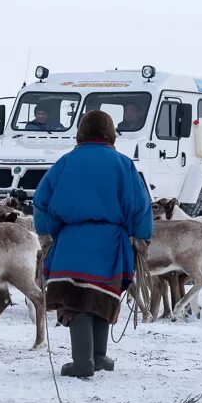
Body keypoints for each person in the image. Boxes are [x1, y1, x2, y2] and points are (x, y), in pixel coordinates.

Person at [33, 110, 153, 378]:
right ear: (111, 133)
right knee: (102, 296)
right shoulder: (124, 164)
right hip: (111, 244)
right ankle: (98, 356)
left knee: (76, 299)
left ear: (81, 132)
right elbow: (141, 206)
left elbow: (42, 202)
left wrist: (48, 233)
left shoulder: (65, 163)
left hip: (71, 241)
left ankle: (83, 361)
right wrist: (141, 238)